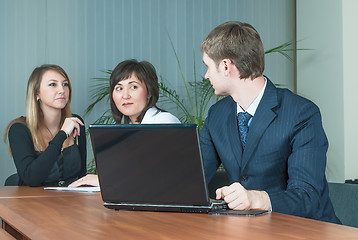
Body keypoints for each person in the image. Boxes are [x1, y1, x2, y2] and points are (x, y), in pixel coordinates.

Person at [200, 21, 340, 224]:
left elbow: (307, 196)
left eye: (207, 66)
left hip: (306, 229)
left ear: (225, 66)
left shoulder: (302, 113)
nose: (206, 75)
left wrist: (256, 198)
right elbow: (192, 178)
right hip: (249, 229)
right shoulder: (217, 115)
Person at [69, 59, 180, 187]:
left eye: (133, 87)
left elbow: (159, 178)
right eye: (119, 88)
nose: (125, 95)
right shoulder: (126, 132)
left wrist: (105, 181)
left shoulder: (165, 122)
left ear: (149, 92)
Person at [4, 64, 86, 187]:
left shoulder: (75, 122)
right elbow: (31, 178)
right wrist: (62, 134)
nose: (62, 90)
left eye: (65, 84)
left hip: (72, 200)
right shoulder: (19, 129)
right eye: (53, 84)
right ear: (37, 93)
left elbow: (81, 175)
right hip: (34, 201)